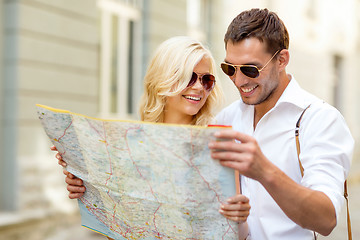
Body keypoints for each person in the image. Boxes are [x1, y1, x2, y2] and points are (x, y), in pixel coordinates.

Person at [52, 36, 250, 240]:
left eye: (206, 80)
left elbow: (237, 234)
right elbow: (118, 230)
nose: (199, 87)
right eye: (189, 77)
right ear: (163, 79)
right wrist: (84, 185)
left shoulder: (218, 145)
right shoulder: (128, 147)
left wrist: (241, 219)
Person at [208, 8, 354, 240]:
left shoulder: (319, 119)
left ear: (282, 60)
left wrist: (264, 171)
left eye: (250, 69)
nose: (239, 80)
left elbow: (326, 220)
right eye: (229, 69)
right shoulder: (228, 119)